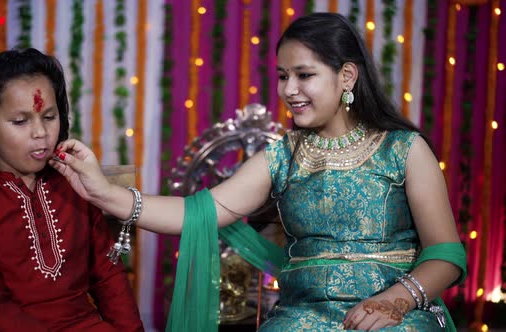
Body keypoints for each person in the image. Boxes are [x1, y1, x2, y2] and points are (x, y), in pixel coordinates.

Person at [50, 13, 466, 332]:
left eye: (304, 75)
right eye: (284, 76)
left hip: (397, 314)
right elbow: (198, 213)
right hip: (303, 317)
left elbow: (445, 254)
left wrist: (395, 301)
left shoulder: (404, 149)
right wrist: (104, 192)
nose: (288, 90)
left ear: (346, 76)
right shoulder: (283, 156)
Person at [0, 48, 144, 332]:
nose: (40, 133)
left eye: (49, 117)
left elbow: (108, 274)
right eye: (21, 121)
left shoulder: (73, 183)